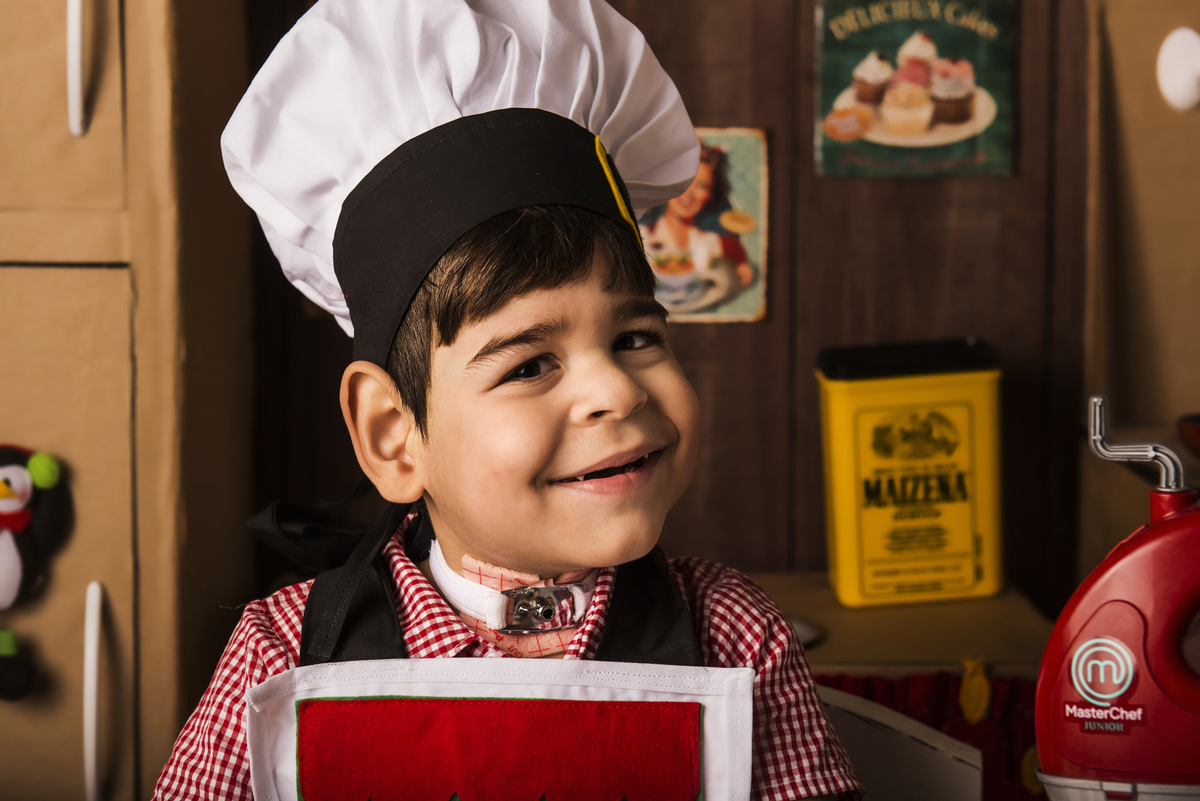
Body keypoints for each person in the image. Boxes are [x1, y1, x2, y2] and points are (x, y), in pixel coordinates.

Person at [153, 0, 861, 798]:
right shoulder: (281, 654)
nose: (618, 388)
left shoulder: (735, 636)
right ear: (394, 435)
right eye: (529, 364)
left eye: (635, 337)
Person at [639, 141, 755, 313]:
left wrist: (742, 267)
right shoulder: (641, 237)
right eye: (685, 182)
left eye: (702, 185)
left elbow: (740, 261)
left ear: (709, 195)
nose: (690, 193)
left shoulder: (714, 243)